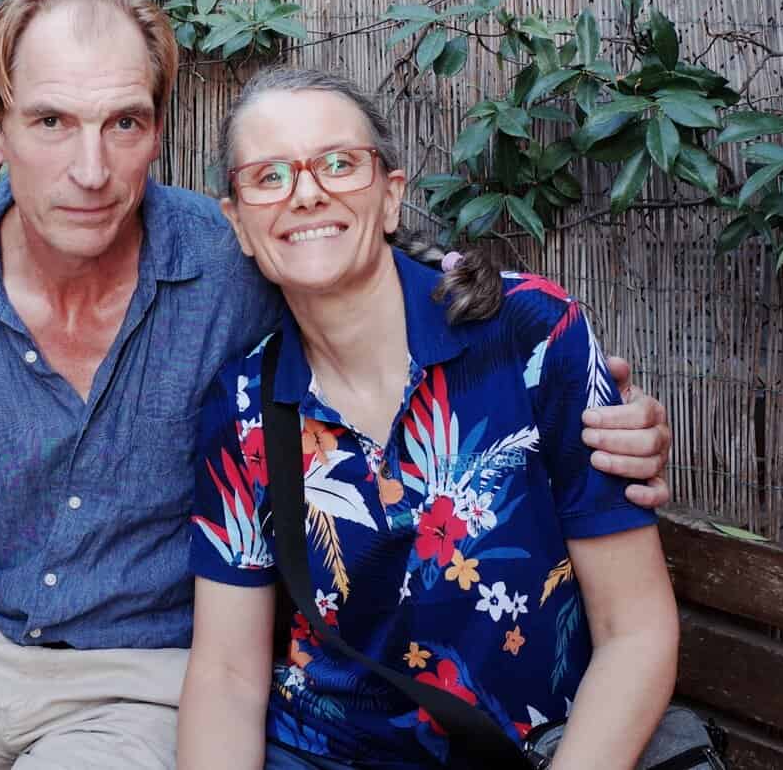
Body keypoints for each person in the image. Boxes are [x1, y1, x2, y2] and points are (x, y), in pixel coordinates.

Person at [0, 0, 673, 770]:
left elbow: (378, 274)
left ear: (158, 132)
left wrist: (605, 406)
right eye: (50, 122)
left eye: (124, 123)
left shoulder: (238, 266)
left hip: (145, 679)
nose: (91, 167)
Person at [177, 68, 678, 769]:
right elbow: (227, 678)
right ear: (239, 224)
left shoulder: (528, 333)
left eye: (339, 164)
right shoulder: (242, 409)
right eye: (269, 176)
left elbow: (635, 629)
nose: (307, 192)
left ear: (391, 196)